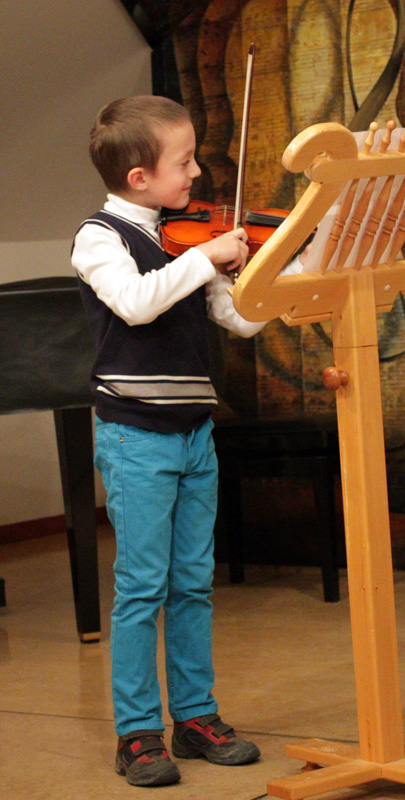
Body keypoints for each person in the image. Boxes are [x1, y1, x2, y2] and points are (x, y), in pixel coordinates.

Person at [71, 95, 264, 787]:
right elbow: (135, 302)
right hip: (136, 436)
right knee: (142, 588)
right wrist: (209, 255)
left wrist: (265, 275)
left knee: (192, 585)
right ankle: (137, 733)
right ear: (139, 178)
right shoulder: (100, 237)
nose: (196, 172)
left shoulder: (185, 240)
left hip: (193, 434)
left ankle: (196, 716)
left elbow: (239, 321)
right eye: (184, 162)